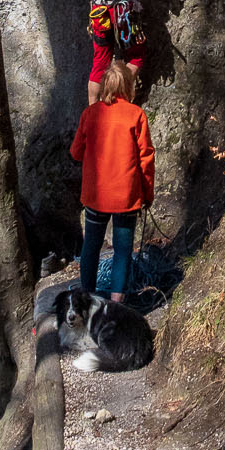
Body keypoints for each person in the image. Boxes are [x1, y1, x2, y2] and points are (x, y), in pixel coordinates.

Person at [69, 60, 155, 300]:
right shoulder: (136, 115)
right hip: (126, 196)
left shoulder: (90, 113)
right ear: (129, 86)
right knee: (122, 250)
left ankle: (87, 297)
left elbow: (75, 152)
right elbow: (146, 158)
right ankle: (117, 302)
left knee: (91, 247)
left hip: (96, 195)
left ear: (105, 85)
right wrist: (147, 194)